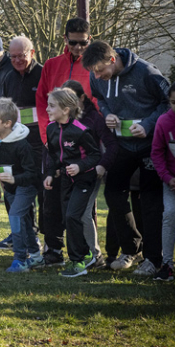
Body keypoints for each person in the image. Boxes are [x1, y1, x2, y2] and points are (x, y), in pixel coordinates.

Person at [84, 40, 170, 276]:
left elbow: (168, 102)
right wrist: (107, 112)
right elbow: (99, 98)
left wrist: (148, 124)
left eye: (100, 70)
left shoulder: (147, 71)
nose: (98, 76)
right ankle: (131, 248)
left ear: (112, 59)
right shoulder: (96, 76)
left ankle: (154, 259)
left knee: (151, 202)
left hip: (149, 145)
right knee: (113, 193)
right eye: (94, 72)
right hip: (121, 145)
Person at [0, 36, 45, 252]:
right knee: (14, 189)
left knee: (43, 192)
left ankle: (49, 238)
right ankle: (25, 236)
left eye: (20, 56)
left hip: (40, 143)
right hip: (16, 144)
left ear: (31, 53)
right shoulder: (8, 77)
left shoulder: (43, 74)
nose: (16, 60)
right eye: (12, 56)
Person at [44, 88, 101, 278]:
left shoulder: (80, 131)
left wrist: (79, 166)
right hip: (66, 181)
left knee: (72, 216)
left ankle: (79, 261)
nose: (47, 109)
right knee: (67, 218)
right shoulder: (51, 128)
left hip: (85, 179)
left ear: (66, 109)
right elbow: (53, 155)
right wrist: (51, 174)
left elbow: (96, 155)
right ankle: (84, 255)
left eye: (52, 106)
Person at [63, 79, 115, 269]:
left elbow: (111, 145)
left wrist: (102, 165)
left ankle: (95, 255)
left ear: (82, 98)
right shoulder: (65, 119)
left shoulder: (95, 118)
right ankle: (85, 254)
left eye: (72, 99)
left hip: (91, 172)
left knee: (83, 214)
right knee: (73, 214)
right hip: (71, 175)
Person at [0, 98, 42, 272]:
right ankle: (36, 255)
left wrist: (15, 180)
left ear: (7, 123)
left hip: (26, 186)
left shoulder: (22, 145)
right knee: (23, 220)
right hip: (8, 188)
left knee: (16, 217)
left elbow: (32, 173)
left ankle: (20, 259)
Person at [151, 80, 175, 282]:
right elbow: (157, 153)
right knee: (169, 215)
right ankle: (167, 265)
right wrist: (168, 178)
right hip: (171, 181)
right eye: (173, 102)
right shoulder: (163, 121)